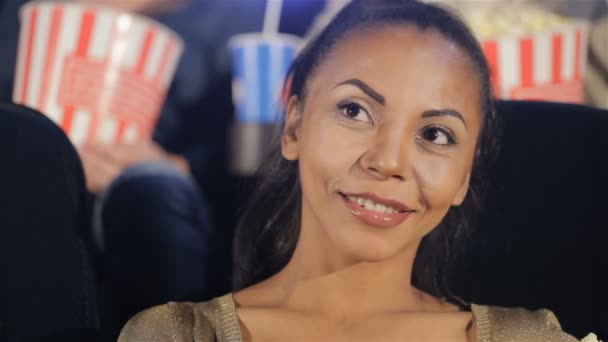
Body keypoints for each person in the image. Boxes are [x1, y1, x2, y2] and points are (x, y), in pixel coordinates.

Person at [118, 0, 579, 340]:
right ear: (294, 126)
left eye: (436, 135)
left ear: (465, 177)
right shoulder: (176, 335)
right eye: (355, 111)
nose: (389, 161)